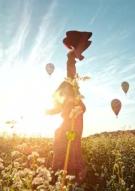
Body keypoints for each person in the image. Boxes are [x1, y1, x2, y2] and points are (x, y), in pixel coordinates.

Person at [47, 31, 92, 182]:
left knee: (68, 145)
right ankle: (64, 176)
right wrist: (48, 111)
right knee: (64, 141)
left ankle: (69, 176)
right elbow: (58, 107)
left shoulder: (71, 86)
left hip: (74, 122)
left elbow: (71, 72)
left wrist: (71, 57)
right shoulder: (67, 92)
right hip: (71, 122)